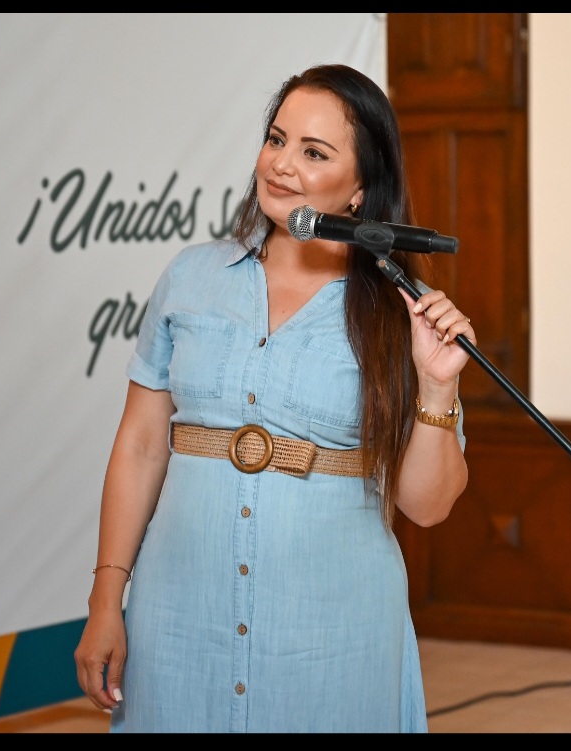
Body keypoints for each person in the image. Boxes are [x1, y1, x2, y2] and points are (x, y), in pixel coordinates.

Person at [74, 62, 474, 733]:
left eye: (314, 152)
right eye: (277, 139)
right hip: (179, 615)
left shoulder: (401, 311)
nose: (282, 164)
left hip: (335, 630)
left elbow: (428, 505)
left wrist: (437, 384)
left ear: (360, 190)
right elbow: (141, 447)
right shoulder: (191, 277)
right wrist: (106, 596)